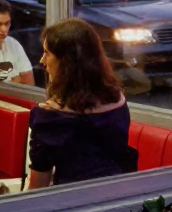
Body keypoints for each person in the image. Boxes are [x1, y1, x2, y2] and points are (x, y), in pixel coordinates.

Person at [27, 19, 133, 189]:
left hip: (75, 202)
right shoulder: (118, 99)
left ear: (67, 62)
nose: (42, 60)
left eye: (47, 52)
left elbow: (38, 187)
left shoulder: (50, 117)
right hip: (120, 194)